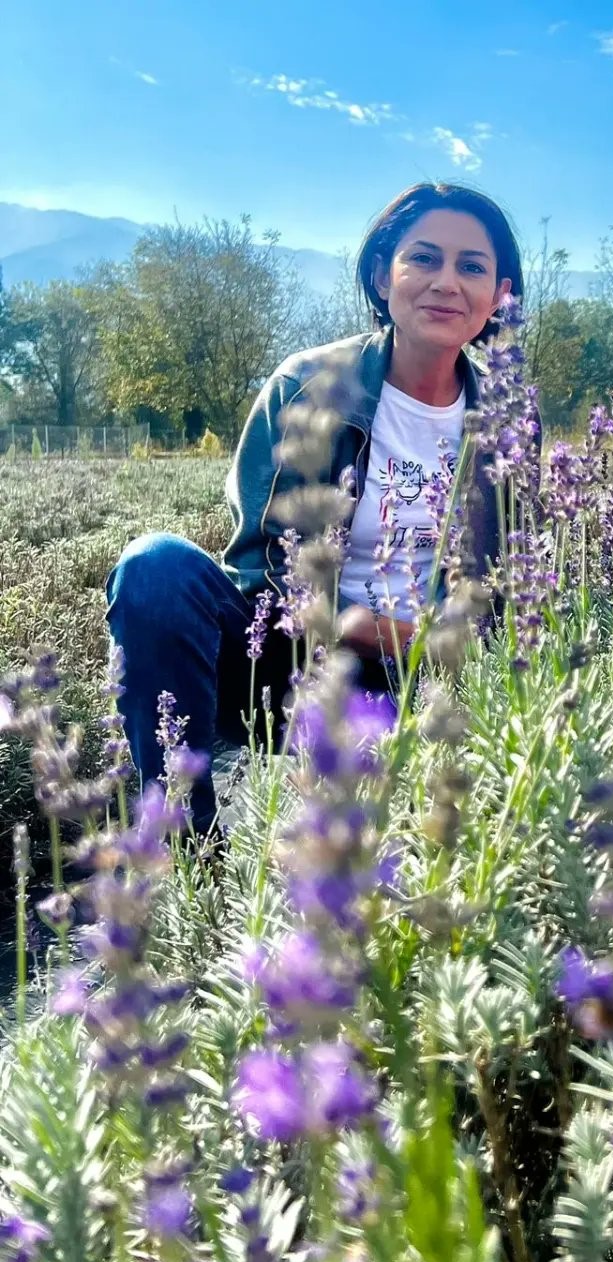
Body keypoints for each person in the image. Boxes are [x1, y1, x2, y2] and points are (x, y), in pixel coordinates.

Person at [105, 181, 525, 832]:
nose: (446, 282)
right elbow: (266, 572)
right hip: (300, 663)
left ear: (499, 295)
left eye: (471, 266)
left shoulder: (508, 420)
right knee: (155, 570)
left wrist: (448, 649)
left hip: (441, 679)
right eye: (424, 258)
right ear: (383, 276)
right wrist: (376, 631)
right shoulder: (308, 388)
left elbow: (513, 580)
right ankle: (182, 845)